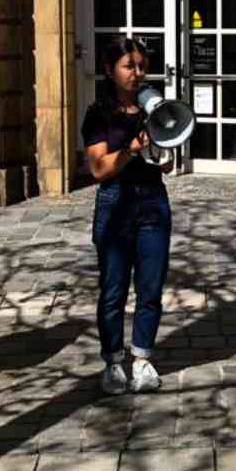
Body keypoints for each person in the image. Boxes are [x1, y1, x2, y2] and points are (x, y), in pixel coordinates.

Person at [83, 36, 174, 395]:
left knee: (151, 286)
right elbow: (99, 170)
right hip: (115, 204)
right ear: (110, 70)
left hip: (153, 202)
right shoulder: (98, 114)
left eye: (141, 66)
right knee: (113, 290)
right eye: (128, 66)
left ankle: (143, 359)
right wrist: (135, 147)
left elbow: (165, 165)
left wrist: (162, 152)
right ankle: (112, 362)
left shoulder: (154, 110)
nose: (137, 73)